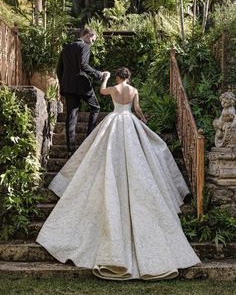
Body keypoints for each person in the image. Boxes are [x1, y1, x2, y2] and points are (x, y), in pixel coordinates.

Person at [37, 67, 200, 280]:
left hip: (114, 122)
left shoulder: (114, 88)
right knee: (139, 157)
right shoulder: (134, 90)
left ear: (117, 77)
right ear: (129, 77)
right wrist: (143, 120)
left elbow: (102, 92)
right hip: (130, 123)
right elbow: (138, 110)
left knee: (101, 152)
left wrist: (104, 79)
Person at [57, 28, 108, 154]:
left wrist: (64, 84)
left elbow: (59, 70)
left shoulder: (66, 48)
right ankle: (88, 141)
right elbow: (84, 66)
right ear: (88, 35)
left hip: (68, 86)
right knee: (95, 107)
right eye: (93, 40)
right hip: (82, 84)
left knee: (71, 116)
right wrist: (99, 74)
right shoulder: (84, 46)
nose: (92, 43)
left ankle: (71, 149)